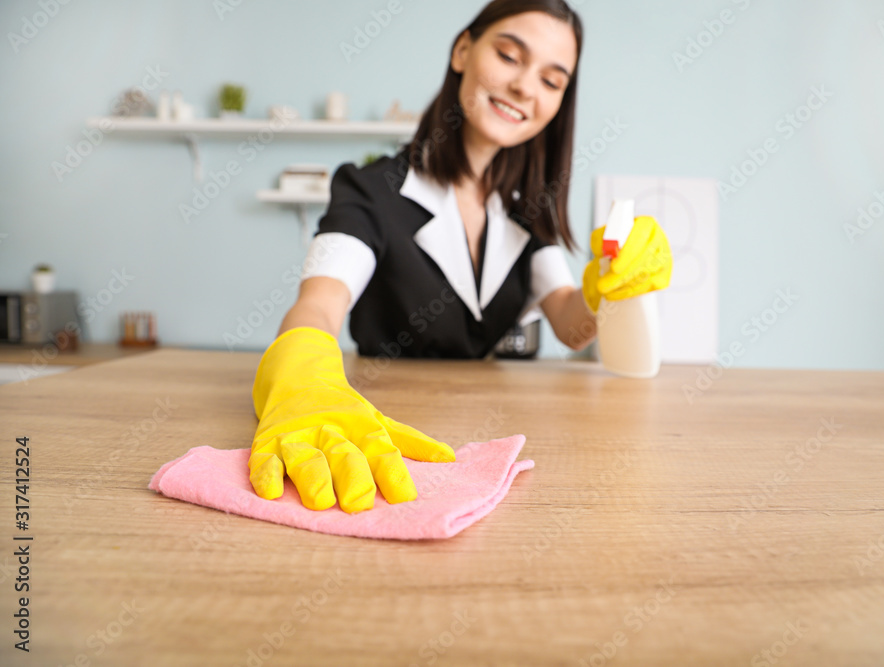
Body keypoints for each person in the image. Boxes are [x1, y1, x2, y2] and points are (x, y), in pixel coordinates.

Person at [247, 0, 672, 514]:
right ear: (463, 50)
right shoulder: (370, 190)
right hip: (377, 437)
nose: (524, 87)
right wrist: (303, 380)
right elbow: (319, 303)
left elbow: (570, 323)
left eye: (552, 81)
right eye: (510, 56)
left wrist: (613, 283)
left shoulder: (527, 214)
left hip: (480, 459)